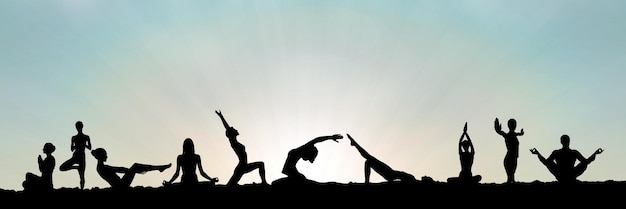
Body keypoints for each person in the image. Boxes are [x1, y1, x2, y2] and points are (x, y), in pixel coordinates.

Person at [215, 110, 268, 186]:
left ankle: (264, 182)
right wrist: (221, 116)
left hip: (243, 166)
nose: (235, 128)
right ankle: (264, 183)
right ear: (232, 134)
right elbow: (227, 128)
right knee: (229, 186)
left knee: (261, 164)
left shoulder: (236, 142)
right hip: (241, 167)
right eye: (233, 129)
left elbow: (229, 129)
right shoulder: (234, 142)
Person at [530, 134, 603, 184]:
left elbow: (546, 162)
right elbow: (586, 161)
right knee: (584, 163)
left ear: (561, 142)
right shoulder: (572, 152)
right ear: (569, 142)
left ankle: (568, 179)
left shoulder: (560, 152)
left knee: (584, 164)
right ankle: (568, 179)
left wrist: (538, 154)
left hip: (568, 174)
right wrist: (595, 154)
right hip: (563, 174)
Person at [347, 134, 417, 184]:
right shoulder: (412, 178)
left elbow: (402, 179)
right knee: (368, 160)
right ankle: (355, 144)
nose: (424, 176)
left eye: (425, 177)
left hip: (390, 174)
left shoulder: (413, 180)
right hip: (390, 173)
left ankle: (355, 144)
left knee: (368, 159)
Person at [91, 147, 171, 190]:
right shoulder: (102, 167)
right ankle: (159, 168)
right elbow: (119, 169)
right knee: (136, 166)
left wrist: (130, 171)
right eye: (105, 155)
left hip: (120, 184)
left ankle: (158, 168)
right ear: (101, 156)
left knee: (136, 167)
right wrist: (130, 170)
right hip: (121, 186)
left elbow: (119, 169)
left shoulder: (100, 167)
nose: (106, 156)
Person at [278, 134, 343, 182]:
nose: (306, 160)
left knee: (302, 178)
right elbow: (317, 139)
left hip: (291, 170)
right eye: (308, 158)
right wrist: (331, 137)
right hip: (290, 170)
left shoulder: (299, 151)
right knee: (302, 179)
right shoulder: (302, 149)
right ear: (308, 152)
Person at [59, 121, 92, 189]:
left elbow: (90, 147)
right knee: (62, 167)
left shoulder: (86, 137)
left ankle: (82, 189)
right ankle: (76, 168)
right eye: (77, 127)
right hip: (76, 155)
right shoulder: (74, 137)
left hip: (81, 156)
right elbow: (71, 149)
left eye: (79, 126)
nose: (78, 128)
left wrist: (83, 145)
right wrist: (76, 146)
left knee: (82, 175)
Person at [494, 117, 524, 184]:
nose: (514, 126)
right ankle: (510, 180)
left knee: (512, 172)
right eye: (513, 124)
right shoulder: (509, 135)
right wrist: (496, 126)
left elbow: (516, 134)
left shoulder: (510, 135)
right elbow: (500, 132)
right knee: (511, 172)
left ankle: (511, 180)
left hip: (513, 156)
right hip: (511, 156)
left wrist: (520, 133)